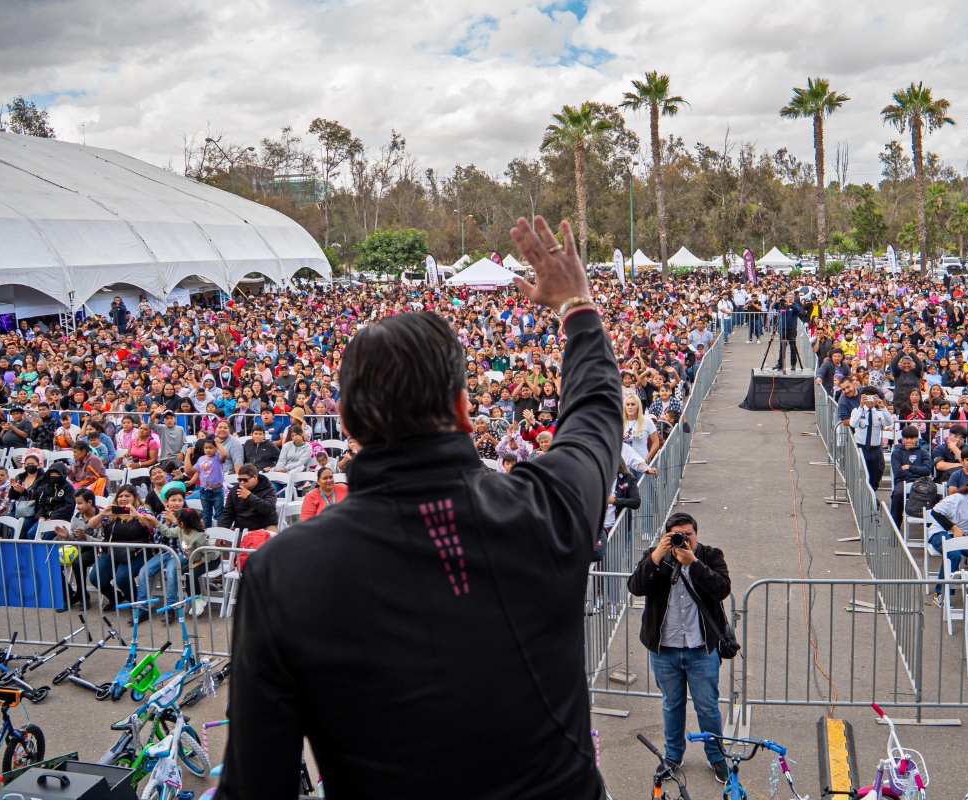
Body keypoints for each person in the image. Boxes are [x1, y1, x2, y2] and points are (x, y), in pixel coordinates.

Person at [219, 216, 619, 799]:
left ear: (349, 425)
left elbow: (256, 786)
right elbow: (596, 414)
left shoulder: (283, 573)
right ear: (462, 408)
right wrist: (578, 306)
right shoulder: (545, 507)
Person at [627, 512, 730, 783]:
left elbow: (722, 589)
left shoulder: (710, 555)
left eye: (688, 534)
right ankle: (673, 756)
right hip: (665, 650)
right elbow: (635, 587)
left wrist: (693, 563)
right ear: (666, 536)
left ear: (696, 534)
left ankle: (717, 757)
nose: (683, 539)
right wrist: (655, 556)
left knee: (707, 707)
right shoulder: (657, 557)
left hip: (701, 649)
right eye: (676, 535)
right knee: (671, 705)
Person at [133, 486, 218, 620]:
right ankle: (143, 608)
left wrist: (175, 521)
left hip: (182, 554)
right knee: (144, 571)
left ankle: (170, 608)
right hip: (165, 552)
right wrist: (165, 523)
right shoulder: (161, 516)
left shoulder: (190, 515)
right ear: (166, 502)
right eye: (173, 500)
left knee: (171, 573)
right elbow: (157, 540)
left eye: (180, 500)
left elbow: (197, 533)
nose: (177, 503)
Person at [86, 483, 155, 610]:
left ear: (134, 497)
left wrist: (136, 515)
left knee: (122, 578)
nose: (123, 499)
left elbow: (152, 525)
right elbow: (92, 525)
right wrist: (103, 514)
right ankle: (115, 597)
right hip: (111, 552)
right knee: (95, 578)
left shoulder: (142, 510)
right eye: (120, 496)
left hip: (137, 552)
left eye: (127, 496)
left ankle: (138, 605)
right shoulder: (112, 512)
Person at [926, 473, 968, 603]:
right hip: (941, 532)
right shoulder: (957, 499)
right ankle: (941, 592)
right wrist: (954, 528)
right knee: (953, 554)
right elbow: (935, 512)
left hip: (965, 535)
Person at [849, 387, 893, 492]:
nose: (871, 401)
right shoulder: (857, 411)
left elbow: (888, 422)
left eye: (873, 398)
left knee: (875, 473)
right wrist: (861, 406)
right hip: (861, 447)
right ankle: (860, 494)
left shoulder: (879, 412)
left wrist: (882, 407)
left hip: (875, 448)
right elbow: (853, 423)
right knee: (861, 473)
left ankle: (872, 495)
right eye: (868, 398)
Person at [217, 464, 279, 532]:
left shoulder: (269, 490)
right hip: (241, 527)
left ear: (255, 477)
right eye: (239, 480)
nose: (242, 482)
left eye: (245, 480)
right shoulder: (234, 491)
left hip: (265, 525)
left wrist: (249, 497)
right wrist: (223, 530)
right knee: (223, 541)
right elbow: (227, 513)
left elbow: (269, 509)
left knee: (271, 539)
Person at [890, 427, 932, 525]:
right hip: (902, 481)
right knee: (897, 494)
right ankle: (895, 526)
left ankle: (930, 527)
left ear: (916, 438)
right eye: (907, 438)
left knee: (933, 493)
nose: (909, 441)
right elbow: (898, 473)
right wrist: (918, 470)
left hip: (922, 481)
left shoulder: (923, 452)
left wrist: (909, 467)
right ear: (903, 439)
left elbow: (927, 471)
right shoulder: (897, 453)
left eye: (912, 438)